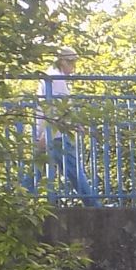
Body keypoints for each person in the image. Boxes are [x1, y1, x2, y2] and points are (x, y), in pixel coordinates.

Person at [40, 46, 102, 206]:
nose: (73, 67)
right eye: (71, 62)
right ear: (62, 61)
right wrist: (76, 124)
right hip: (58, 134)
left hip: (50, 132)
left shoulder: (50, 76)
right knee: (73, 170)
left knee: (37, 169)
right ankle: (94, 207)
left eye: (74, 62)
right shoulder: (57, 79)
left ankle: (19, 202)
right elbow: (62, 109)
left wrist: (40, 134)